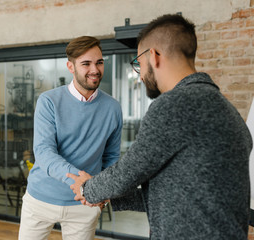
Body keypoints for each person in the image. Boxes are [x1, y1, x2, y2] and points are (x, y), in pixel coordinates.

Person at [68, 14, 253, 239]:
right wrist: (110, 196)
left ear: (153, 56)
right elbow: (180, 192)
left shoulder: (174, 104)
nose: (140, 76)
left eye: (139, 64)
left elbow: (129, 171)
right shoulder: (226, 108)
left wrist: (88, 189)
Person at [18, 36, 123, 240]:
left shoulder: (113, 108)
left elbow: (111, 157)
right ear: (71, 66)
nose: (95, 69)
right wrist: (82, 183)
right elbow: (44, 152)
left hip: (83, 205)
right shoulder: (49, 101)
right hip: (40, 199)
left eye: (99, 62)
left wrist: (102, 189)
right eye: (86, 63)